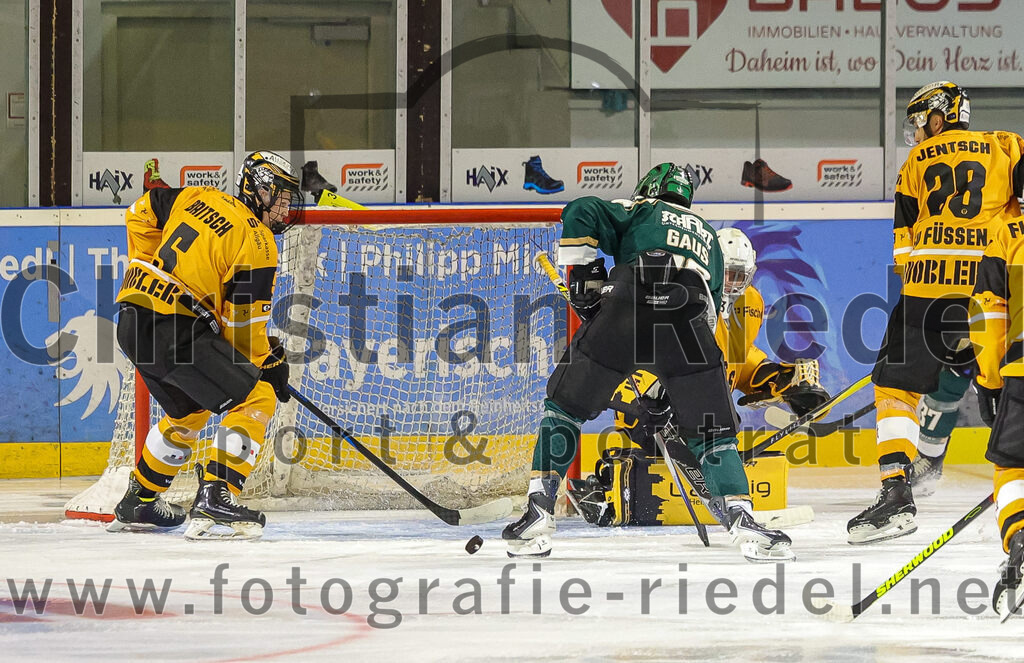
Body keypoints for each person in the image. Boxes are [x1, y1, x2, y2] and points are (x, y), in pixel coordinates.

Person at [502, 163, 795, 561]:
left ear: (649, 188)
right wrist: (675, 386)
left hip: (626, 307)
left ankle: (538, 511)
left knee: (564, 411)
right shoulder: (707, 235)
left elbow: (580, 209)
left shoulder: (639, 209)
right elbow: (708, 318)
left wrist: (588, 278)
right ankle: (744, 522)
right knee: (714, 434)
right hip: (688, 325)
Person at [848, 80, 1024, 545]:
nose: (918, 130)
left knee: (894, 386)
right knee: (994, 373)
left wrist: (919, 287)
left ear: (938, 116)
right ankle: (939, 459)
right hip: (994, 282)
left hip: (927, 287)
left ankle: (896, 491)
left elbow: (903, 242)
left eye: (920, 120)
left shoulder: (914, 163)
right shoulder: (1005, 146)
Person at [108, 151, 303, 540]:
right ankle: (217, 498)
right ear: (257, 190)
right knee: (256, 399)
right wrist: (268, 364)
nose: (284, 210)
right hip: (175, 331)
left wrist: (146, 269)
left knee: (189, 411)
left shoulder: (197, 195)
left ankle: (140, 500)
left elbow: (139, 212)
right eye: (279, 199)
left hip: (133, 322)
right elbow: (244, 329)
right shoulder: (258, 240)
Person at [970, 209, 1024, 617]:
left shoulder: (1006, 234)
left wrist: (989, 379)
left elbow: (987, 311)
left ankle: (1021, 533)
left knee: (1013, 467)